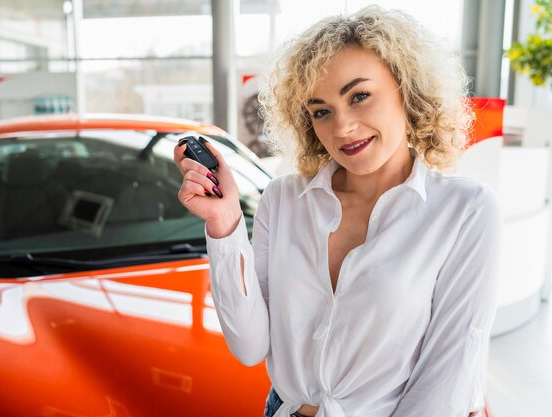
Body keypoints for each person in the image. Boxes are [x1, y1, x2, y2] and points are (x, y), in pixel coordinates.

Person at [174, 6, 501, 417]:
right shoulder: (283, 199)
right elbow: (250, 346)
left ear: (407, 89)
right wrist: (225, 225)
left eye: (359, 96)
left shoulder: (466, 211)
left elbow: (447, 375)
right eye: (321, 111)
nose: (342, 127)